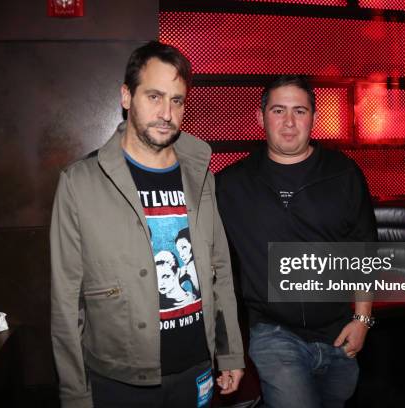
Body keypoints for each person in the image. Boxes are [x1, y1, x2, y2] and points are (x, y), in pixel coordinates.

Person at [51, 41, 244, 408]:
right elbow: (65, 301)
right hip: (120, 379)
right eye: (154, 96)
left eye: (177, 100)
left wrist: (230, 352)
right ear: (126, 96)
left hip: (196, 368)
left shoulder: (200, 173)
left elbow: (219, 271)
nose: (166, 113)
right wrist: (75, 393)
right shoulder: (80, 182)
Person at [216, 75, 377, 408]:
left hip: (338, 334)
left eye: (299, 111)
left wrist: (362, 320)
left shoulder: (343, 172)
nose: (289, 122)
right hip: (274, 333)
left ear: (313, 118)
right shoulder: (230, 184)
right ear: (260, 118)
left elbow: (364, 249)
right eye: (278, 110)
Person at [175, 227, 199, 296]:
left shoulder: (189, 267)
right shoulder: (186, 269)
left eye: (184, 248)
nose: (181, 255)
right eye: (179, 251)